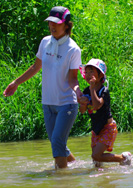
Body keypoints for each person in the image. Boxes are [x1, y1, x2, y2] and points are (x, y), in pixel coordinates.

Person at [3, 6, 82, 169]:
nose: (52, 26)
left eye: (56, 23)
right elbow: (35, 67)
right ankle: (75, 166)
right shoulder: (45, 42)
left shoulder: (73, 49)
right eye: (50, 23)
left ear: (66, 25)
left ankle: (60, 180)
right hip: (48, 103)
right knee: (57, 142)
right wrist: (16, 82)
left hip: (66, 103)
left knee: (57, 143)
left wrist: (79, 93)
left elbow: (73, 79)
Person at [79, 58, 131, 167]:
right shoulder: (86, 90)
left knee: (96, 155)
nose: (88, 74)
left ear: (101, 75)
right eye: (87, 72)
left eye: (92, 72)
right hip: (96, 128)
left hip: (108, 128)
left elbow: (97, 105)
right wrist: (82, 103)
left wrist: (92, 89)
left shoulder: (104, 91)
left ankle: (123, 158)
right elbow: (82, 111)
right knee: (96, 162)